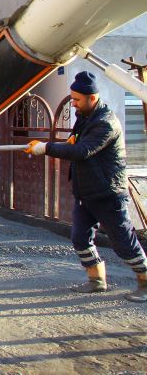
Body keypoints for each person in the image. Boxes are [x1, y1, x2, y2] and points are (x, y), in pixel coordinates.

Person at [23, 71, 147, 301]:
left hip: (108, 193)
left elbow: (82, 151)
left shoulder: (106, 123)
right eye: (72, 98)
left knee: (123, 242)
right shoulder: (85, 117)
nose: (73, 103)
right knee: (80, 238)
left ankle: (145, 281)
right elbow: (76, 144)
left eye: (77, 99)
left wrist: (46, 147)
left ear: (93, 98)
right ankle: (96, 280)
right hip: (85, 192)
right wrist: (65, 143)